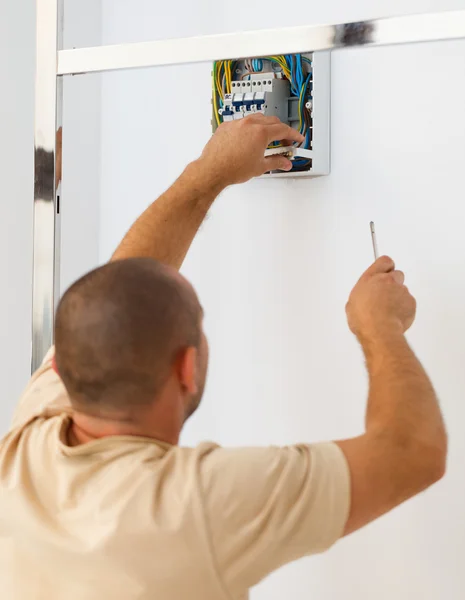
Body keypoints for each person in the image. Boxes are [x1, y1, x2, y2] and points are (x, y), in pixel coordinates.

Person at [0, 114, 447, 599]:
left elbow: (117, 299)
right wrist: (380, 327)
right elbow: (412, 453)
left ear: (63, 367)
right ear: (186, 369)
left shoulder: (26, 444)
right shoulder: (197, 506)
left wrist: (207, 174)